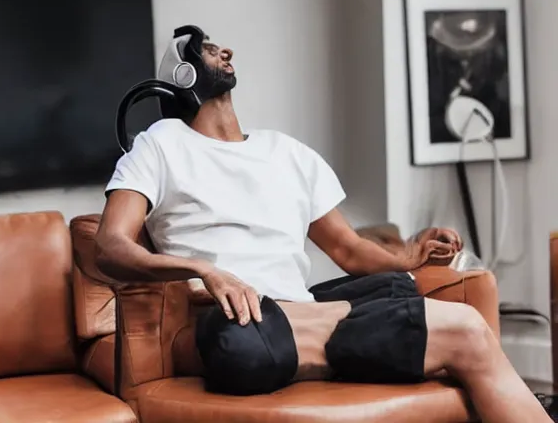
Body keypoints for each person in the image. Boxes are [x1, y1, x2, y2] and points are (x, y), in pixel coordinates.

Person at [95, 25, 551, 422]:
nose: (225, 52)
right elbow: (111, 246)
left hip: (291, 318)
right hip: (238, 322)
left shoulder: (287, 152)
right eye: (210, 50)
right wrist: (203, 270)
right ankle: (362, 338)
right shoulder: (162, 143)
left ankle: (331, 337)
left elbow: (348, 250)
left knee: (402, 287)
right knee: (237, 343)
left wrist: (408, 254)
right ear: (183, 75)